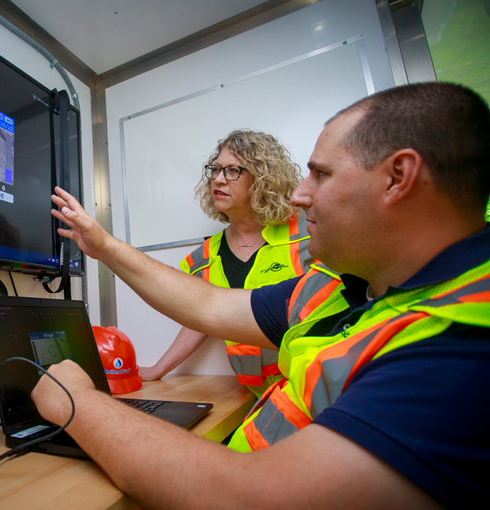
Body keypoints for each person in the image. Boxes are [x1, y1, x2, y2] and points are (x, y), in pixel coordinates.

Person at [33, 82, 490, 508]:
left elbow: (249, 496)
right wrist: (105, 245)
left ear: (398, 177)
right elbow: (207, 305)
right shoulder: (341, 288)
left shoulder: (462, 344)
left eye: (321, 175)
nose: (300, 195)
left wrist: (77, 399)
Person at [139, 130, 312, 398]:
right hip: (258, 396)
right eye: (216, 170)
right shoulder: (205, 257)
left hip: (313, 387)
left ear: (262, 178)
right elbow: (199, 318)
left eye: (232, 170)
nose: (218, 179)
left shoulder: (306, 233)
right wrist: (156, 370)